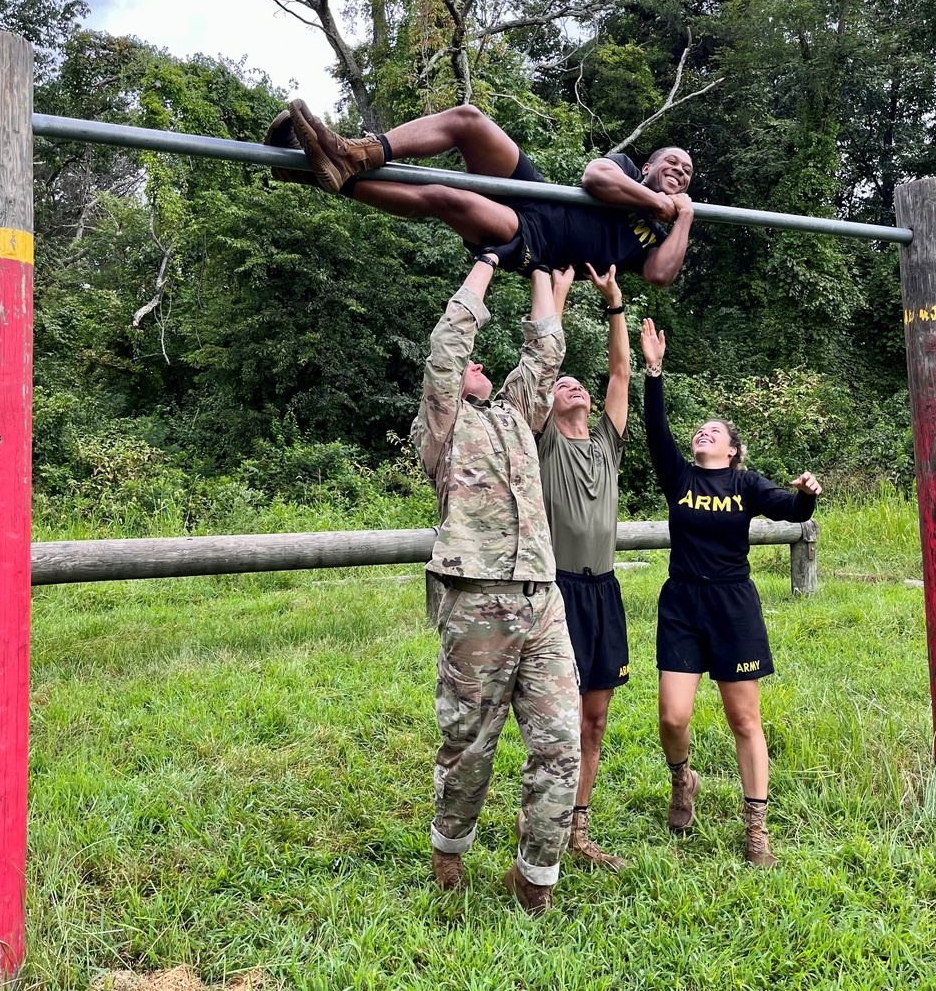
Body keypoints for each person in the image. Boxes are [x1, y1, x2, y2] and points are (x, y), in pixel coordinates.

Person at [410, 254, 580, 917]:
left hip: (542, 595)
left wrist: (539, 262)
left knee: (559, 742)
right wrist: (486, 260)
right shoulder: (443, 424)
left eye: (485, 365)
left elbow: (545, 348)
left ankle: (535, 877)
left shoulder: (515, 415)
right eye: (474, 365)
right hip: (476, 596)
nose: (480, 366)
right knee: (469, 742)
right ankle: (449, 847)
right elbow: (449, 342)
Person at [639, 317, 822, 868]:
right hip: (682, 603)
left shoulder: (745, 484)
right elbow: (654, 428)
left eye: (715, 431)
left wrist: (807, 495)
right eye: (701, 429)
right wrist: (654, 371)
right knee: (673, 716)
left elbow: (791, 511)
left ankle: (756, 827)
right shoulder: (680, 478)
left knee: (745, 720)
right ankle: (682, 781)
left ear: (733, 450)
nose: (704, 433)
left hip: (732, 606)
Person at [266, 101, 694, 284]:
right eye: (671, 162)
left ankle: (325, 175)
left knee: (446, 197)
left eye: (687, 172)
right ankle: (353, 154)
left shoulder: (659, 241)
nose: (679, 170)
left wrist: (685, 216)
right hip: (536, 191)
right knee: (469, 120)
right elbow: (594, 179)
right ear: (649, 167)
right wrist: (658, 203)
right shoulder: (624, 172)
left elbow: (660, 275)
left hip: (535, 241)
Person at [535, 263, 632, 869]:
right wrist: (562, 296)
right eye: (561, 382)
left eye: (578, 382)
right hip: (558, 591)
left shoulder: (606, 443)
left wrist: (615, 302)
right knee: (558, 718)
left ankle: (577, 828)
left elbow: (621, 371)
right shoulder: (542, 438)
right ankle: (538, 813)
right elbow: (545, 360)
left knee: (594, 717)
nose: (571, 384)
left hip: (605, 593)